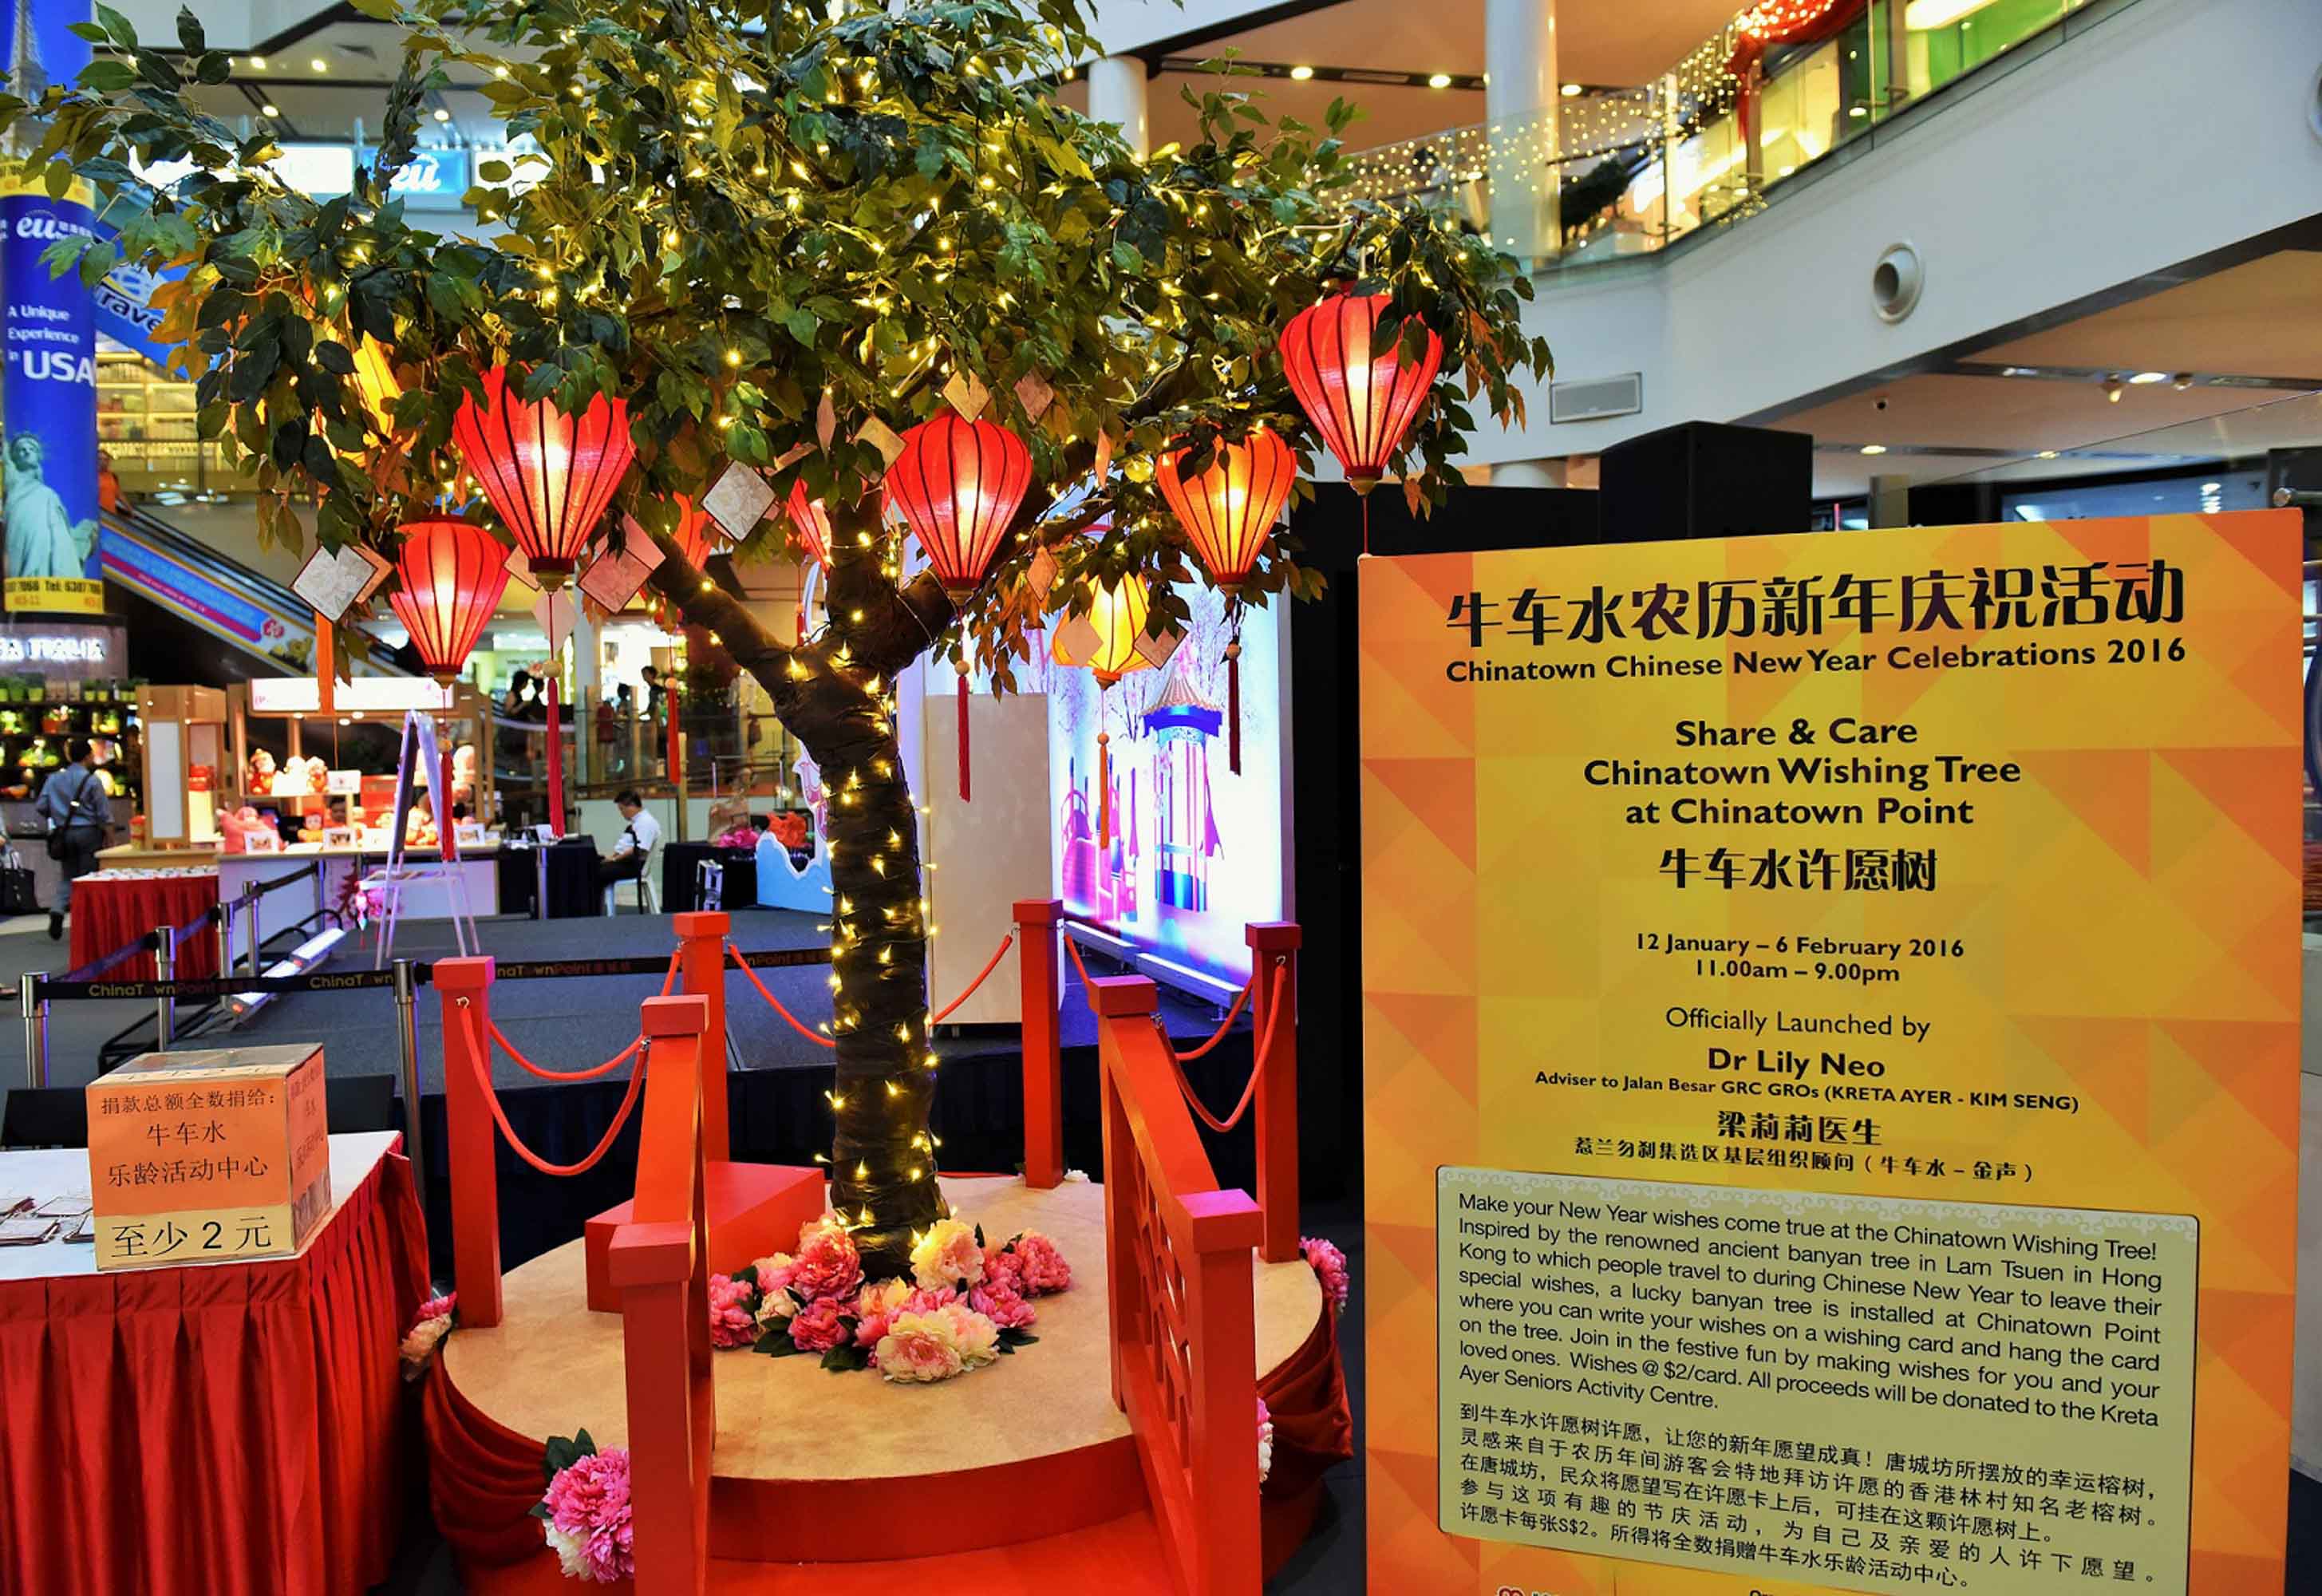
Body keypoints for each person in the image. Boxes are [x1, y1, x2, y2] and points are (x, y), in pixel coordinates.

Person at [36, 737, 114, 939]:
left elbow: (41, 806)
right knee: (88, 877)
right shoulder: (92, 781)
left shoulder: (53, 779)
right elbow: (104, 814)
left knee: (67, 875)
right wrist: (110, 838)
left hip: (64, 833)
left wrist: (58, 815)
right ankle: (84, 921)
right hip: (89, 833)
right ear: (88, 756)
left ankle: (57, 909)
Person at [5, 432, 99, 581]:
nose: (27, 452)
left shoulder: (48, 494)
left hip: (44, 545)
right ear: (14, 457)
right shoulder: (13, 480)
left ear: (38, 456)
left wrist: (80, 535)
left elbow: (61, 533)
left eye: (32, 449)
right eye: (21, 449)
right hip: (20, 534)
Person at [596, 788, 661, 895]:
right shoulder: (637, 822)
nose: (621, 813)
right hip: (627, 862)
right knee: (594, 865)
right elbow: (625, 847)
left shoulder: (646, 822)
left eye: (622, 809)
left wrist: (614, 859)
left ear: (631, 806)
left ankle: (591, 908)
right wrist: (611, 858)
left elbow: (638, 850)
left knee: (596, 872)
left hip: (634, 865)